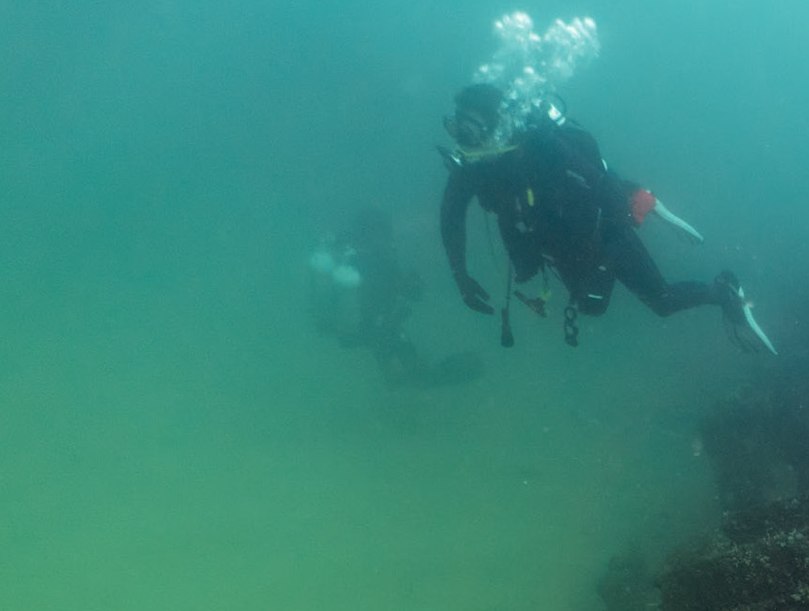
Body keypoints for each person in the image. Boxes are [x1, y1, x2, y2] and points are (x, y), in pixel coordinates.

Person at [437, 83, 775, 354]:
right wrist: (459, 275)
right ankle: (637, 211)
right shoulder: (473, 168)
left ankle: (724, 290)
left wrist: (603, 250)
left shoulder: (541, 148)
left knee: (663, 302)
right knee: (593, 307)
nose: (462, 139)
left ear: (496, 125)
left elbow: (600, 189)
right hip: (560, 245)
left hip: (604, 230)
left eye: (470, 130)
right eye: (456, 127)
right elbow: (450, 216)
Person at [308, 207, 482, 387]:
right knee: (415, 375)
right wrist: (407, 287)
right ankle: (409, 381)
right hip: (375, 327)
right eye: (385, 232)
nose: (388, 239)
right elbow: (397, 294)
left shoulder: (349, 257)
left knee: (401, 369)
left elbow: (393, 294)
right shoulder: (378, 258)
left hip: (353, 327)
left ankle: (398, 382)